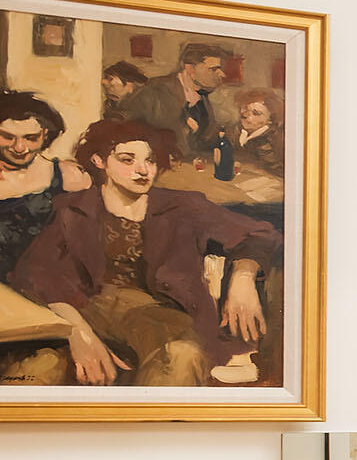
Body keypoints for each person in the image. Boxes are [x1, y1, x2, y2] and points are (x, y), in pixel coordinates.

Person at [5, 119, 275, 387]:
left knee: (181, 359)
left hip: (166, 329)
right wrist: (78, 331)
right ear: (99, 161)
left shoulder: (183, 207)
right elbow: (34, 273)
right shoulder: (71, 209)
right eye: (127, 160)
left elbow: (259, 234)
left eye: (151, 161)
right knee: (38, 370)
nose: (143, 170)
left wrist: (244, 275)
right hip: (88, 320)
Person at [119, 42, 238, 173]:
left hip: (188, 171)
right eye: (214, 69)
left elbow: (205, 139)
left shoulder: (201, 97)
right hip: (154, 171)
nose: (222, 74)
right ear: (190, 69)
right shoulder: (156, 91)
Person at [0, 91, 80, 278]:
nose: (19, 148)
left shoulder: (69, 176)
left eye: (30, 138)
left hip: (48, 281)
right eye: (7, 137)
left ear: (45, 135)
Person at [226, 87, 283, 179]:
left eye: (256, 113)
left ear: (270, 119)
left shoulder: (273, 139)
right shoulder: (233, 131)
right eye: (245, 110)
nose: (247, 116)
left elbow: (278, 171)